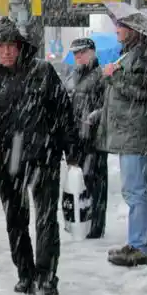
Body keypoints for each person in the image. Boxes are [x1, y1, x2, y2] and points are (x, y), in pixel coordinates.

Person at [0, 16, 79, 295]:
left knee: (45, 219)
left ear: (19, 46)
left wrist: (72, 151)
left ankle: (47, 275)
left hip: (44, 155)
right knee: (16, 220)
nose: (6, 51)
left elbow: (63, 114)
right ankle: (25, 274)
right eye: (0, 45)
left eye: (10, 45)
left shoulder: (42, 72)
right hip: (8, 159)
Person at [95, 22, 147, 267]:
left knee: (136, 192)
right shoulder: (132, 53)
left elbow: (146, 90)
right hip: (130, 134)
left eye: (120, 26)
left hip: (136, 135)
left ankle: (140, 247)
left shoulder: (144, 55)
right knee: (132, 191)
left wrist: (114, 75)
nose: (116, 30)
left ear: (133, 30)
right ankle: (136, 242)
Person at [65, 37, 107, 239]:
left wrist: (94, 117)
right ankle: (80, 219)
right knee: (79, 181)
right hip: (76, 138)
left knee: (95, 183)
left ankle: (95, 226)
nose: (78, 56)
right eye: (75, 53)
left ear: (92, 52)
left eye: (82, 52)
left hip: (94, 139)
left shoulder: (101, 76)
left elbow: (108, 106)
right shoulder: (72, 76)